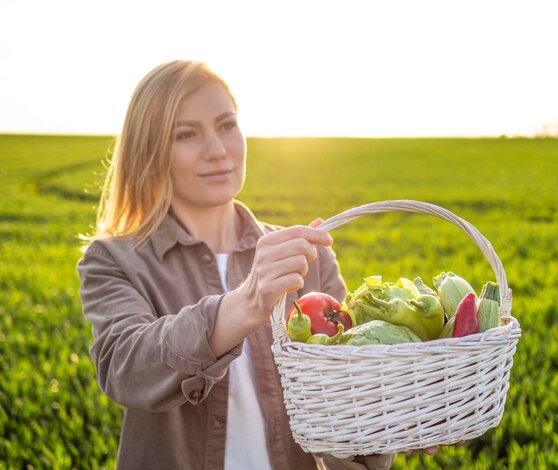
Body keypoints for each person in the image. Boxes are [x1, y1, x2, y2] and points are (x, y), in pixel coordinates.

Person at [77, 60, 435, 469]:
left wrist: (388, 423)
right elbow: (124, 367)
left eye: (227, 125)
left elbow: (344, 386)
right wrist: (247, 301)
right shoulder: (114, 259)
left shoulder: (305, 256)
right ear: (151, 150)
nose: (218, 149)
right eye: (187, 134)